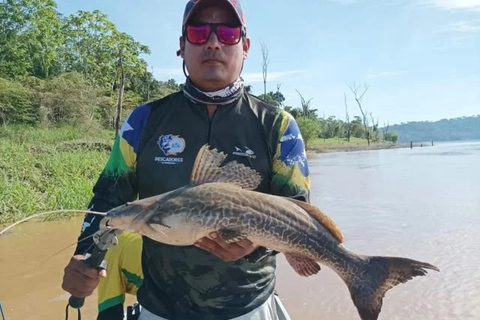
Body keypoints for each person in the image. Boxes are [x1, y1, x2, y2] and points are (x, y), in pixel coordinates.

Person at [62, 0, 311, 319]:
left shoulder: (278, 126)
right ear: (181, 46)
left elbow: (297, 212)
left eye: (227, 32)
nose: (212, 42)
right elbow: (109, 198)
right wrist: (84, 257)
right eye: (197, 32)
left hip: (248, 308)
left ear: (245, 46)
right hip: (161, 308)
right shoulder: (143, 121)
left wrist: (258, 244)